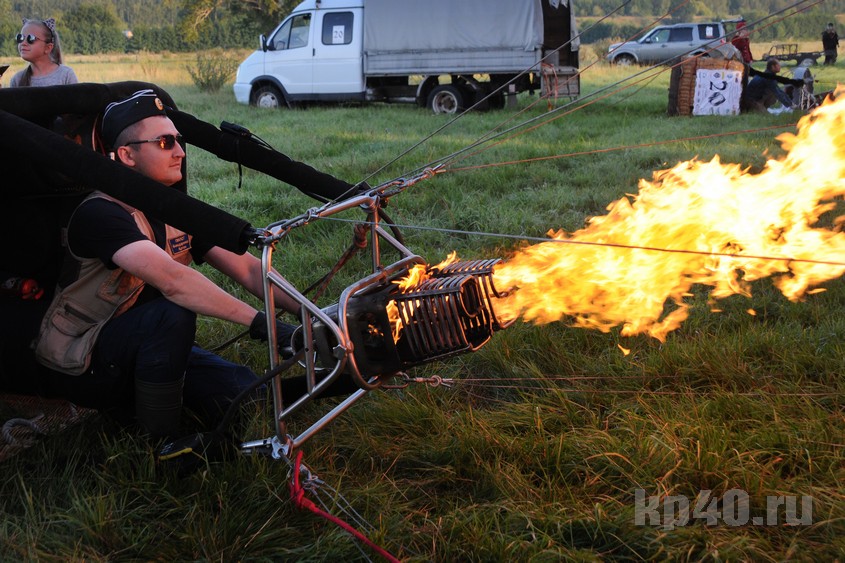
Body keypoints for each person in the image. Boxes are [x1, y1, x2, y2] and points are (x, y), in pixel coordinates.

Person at [34, 90, 299, 438]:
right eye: (164, 142)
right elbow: (174, 280)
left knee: (244, 391)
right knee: (172, 313)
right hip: (83, 356)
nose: (180, 152)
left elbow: (249, 269)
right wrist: (263, 324)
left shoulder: (173, 211)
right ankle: (160, 441)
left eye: (179, 140)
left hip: (152, 345)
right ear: (127, 155)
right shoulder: (100, 213)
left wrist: (310, 315)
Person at [9, 18, 77, 88]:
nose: (23, 43)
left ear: (48, 48)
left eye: (31, 38)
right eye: (20, 38)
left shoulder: (66, 75)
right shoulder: (17, 80)